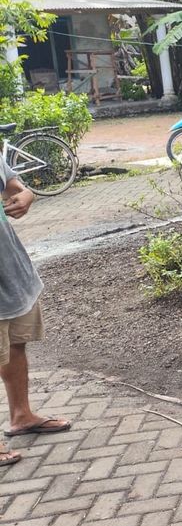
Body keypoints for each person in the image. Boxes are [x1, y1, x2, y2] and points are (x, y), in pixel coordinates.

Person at [0, 152, 72, 470]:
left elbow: (15, 185)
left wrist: (25, 195)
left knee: (16, 340)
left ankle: (21, 416)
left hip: (8, 265)